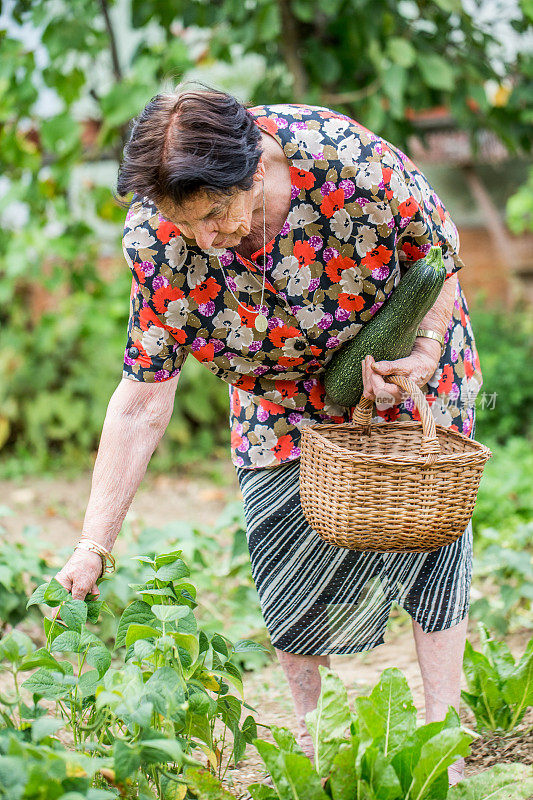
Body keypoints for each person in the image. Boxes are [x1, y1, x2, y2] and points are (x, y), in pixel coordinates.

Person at [55, 83, 483, 787]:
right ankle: (312, 741)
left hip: (402, 355)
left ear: (256, 168)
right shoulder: (157, 241)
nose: (204, 240)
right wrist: (93, 544)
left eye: (215, 216)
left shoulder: (349, 164)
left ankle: (445, 732)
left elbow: (435, 253)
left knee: (428, 532)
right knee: (279, 542)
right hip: (273, 386)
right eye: (181, 221)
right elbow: (140, 400)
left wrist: (426, 348)